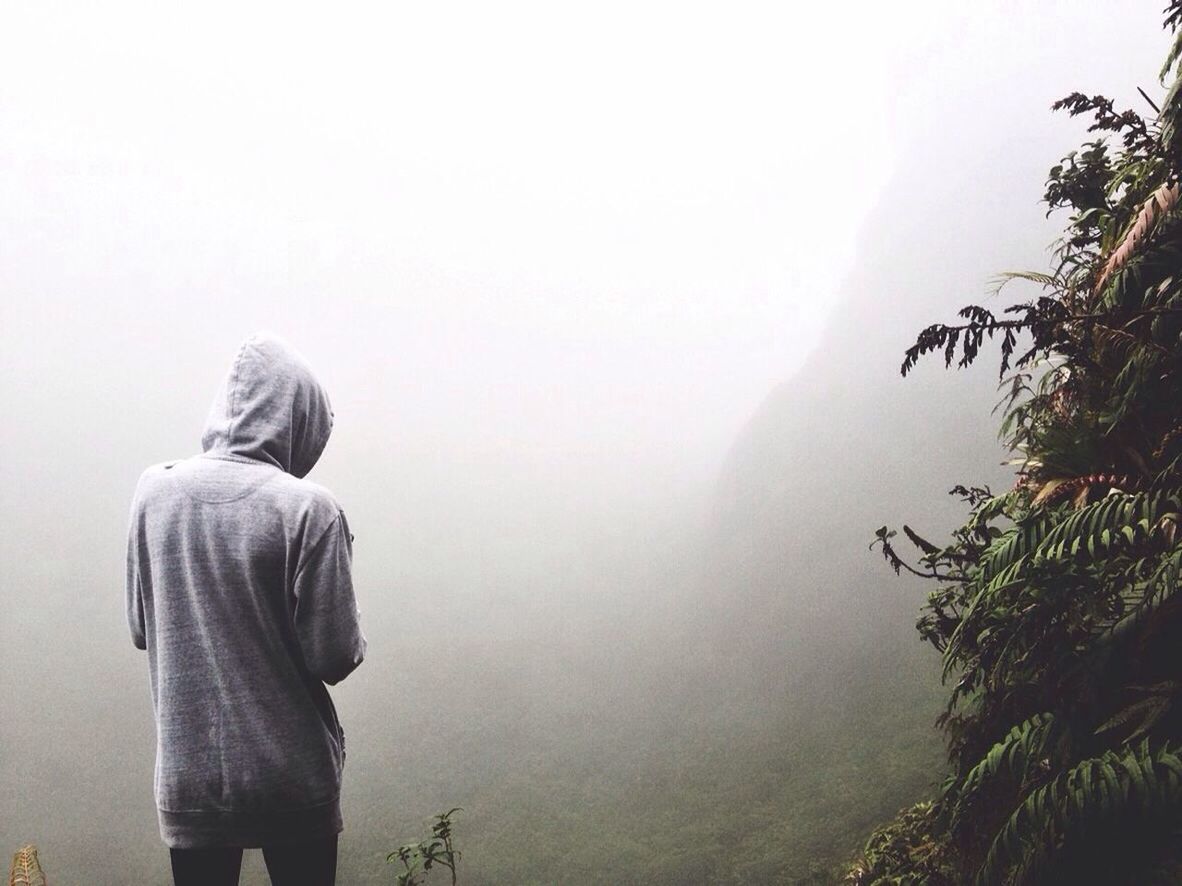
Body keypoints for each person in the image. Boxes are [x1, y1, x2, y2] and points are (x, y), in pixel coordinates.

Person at [125, 332, 367, 886]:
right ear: (299, 419)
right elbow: (335, 656)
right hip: (293, 777)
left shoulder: (152, 494)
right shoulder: (310, 510)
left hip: (191, 777)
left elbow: (143, 629)